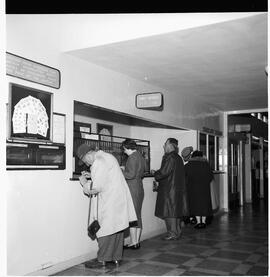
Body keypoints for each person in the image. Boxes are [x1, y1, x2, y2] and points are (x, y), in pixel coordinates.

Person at [76, 143, 137, 269]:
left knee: (104, 230)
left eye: (84, 161)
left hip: (109, 201)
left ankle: (102, 259)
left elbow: (96, 188)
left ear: (88, 155)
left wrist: (84, 183)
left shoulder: (98, 162)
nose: (86, 164)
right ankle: (116, 258)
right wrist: (91, 175)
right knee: (117, 228)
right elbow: (106, 177)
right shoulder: (108, 156)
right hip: (118, 199)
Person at [151, 138, 187, 240]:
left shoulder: (170, 157)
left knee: (170, 212)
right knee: (175, 213)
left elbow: (164, 172)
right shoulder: (178, 158)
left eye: (165, 144)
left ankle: (172, 233)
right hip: (176, 189)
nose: (163, 146)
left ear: (170, 145)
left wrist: (155, 173)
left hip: (169, 190)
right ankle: (177, 232)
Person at [121, 139, 145, 250]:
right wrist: (125, 169)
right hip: (139, 187)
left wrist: (121, 171)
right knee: (138, 215)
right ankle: (136, 241)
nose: (124, 151)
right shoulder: (140, 156)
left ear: (127, 147)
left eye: (124, 149)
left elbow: (130, 175)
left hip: (132, 188)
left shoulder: (131, 157)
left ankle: (134, 242)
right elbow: (137, 171)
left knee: (132, 216)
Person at [185, 150, 213, 229]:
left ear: (192, 156)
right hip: (204, 189)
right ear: (201, 156)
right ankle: (203, 222)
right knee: (204, 204)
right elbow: (211, 177)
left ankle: (198, 222)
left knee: (195, 204)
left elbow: (184, 176)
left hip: (192, 189)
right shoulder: (206, 165)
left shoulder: (188, 165)